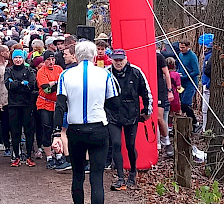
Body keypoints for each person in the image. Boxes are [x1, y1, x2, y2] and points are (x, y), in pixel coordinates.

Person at [52, 41, 120, 204]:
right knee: (97, 179)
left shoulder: (65, 75)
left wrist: (56, 133)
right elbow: (115, 104)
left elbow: (59, 106)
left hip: (75, 130)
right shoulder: (105, 74)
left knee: (77, 176)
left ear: (76, 56)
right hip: (98, 128)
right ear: (94, 55)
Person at [105, 49, 152, 190]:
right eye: (116, 60)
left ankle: (132, 171)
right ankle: (120, 177)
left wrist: (147, 111)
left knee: (130, 145)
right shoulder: (106, 73)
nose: (118, 63)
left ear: (125, 59)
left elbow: (146, 92)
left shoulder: (136, 72)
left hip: (131, 114)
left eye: (121, 60)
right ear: (112, 59)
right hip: (112, 114)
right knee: (116, 143)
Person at [5, 49, 36, 167]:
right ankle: (16, 156)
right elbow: (8, 85)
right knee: (15, 132)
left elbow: (32, 85)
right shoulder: (9, 70)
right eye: (15, 58)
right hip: (13, 105)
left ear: (23, 58)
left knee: (28, 131)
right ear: (12, 59)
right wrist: (22, 83)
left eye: (20, 58)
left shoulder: (29, 70)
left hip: (27, 105)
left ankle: (28, 156)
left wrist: (16, 83)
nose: (18, 60)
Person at [36, 51, 65, 169]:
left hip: (57, 104)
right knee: (46, 128)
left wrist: (53, 83)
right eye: (48, 60)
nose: (51, 62)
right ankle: (48, 156)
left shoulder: (59, 69)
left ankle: (58, 154)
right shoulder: (41, 71)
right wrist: (55, 84)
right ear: (44, 60)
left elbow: (63, 85)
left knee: (57, 129)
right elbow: (47, 90)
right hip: (44, 104)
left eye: (53, 59)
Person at [177, 39, 200, 132]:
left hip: (190, 84)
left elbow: (196, 71)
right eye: (180, 47)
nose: (181, 49)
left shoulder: (192, 56)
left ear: (188, 47)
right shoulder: (180, 55)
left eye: (183, 47)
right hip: (181, 84)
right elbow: (179, 67)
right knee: (181, 103)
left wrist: (186, 76)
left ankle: (195, 122)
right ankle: (186, 123)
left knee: (186, 103)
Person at [155, 44, 174, 156]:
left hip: (159, 89)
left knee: (159, 117)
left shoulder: (159, 57)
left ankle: (166, 141)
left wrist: (169, 90)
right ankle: (156, 144)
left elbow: (166, 73)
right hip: (146, 88)